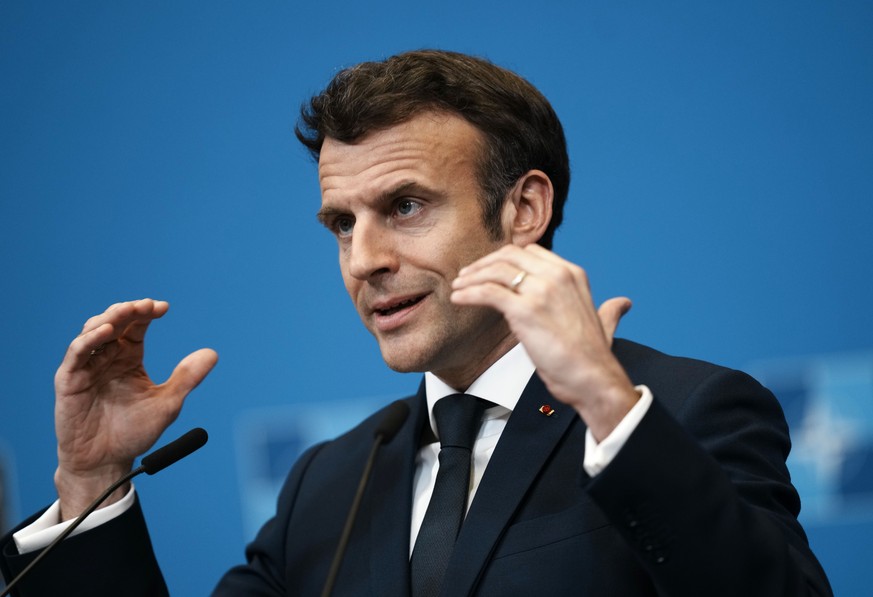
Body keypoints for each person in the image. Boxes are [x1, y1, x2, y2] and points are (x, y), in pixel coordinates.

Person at [1, 49, 832, 596]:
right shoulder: (325, 484)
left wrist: (606, 408)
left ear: (523, 209)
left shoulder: (681, 411)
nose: (362, 260)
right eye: (340, 223)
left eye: (404, 206)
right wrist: (88, 482)